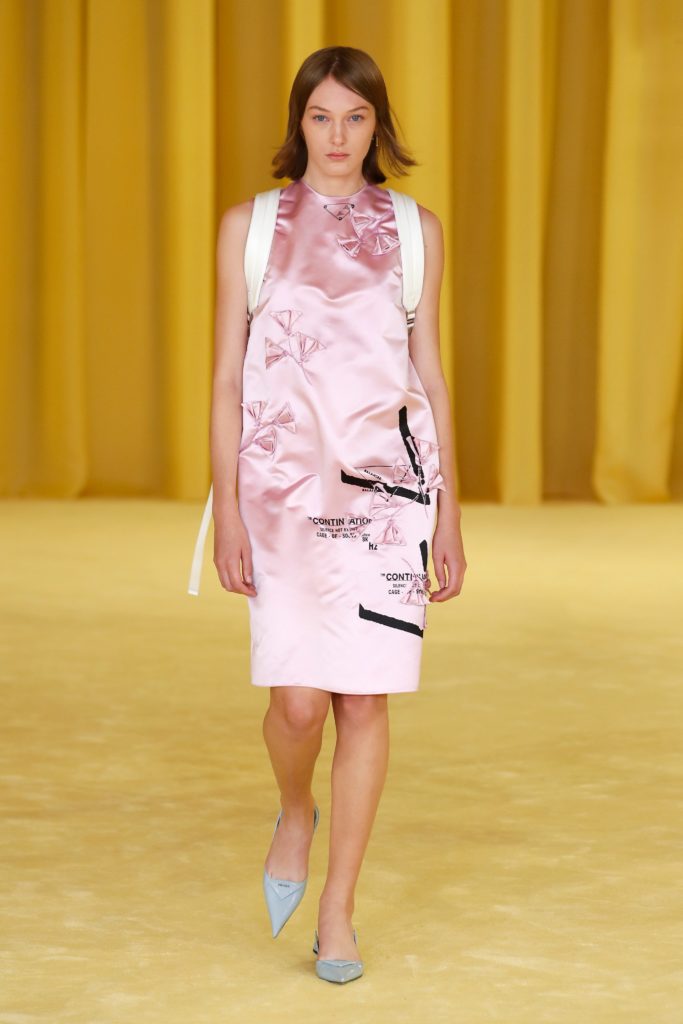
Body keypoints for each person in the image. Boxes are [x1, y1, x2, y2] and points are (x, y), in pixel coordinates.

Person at [208, 46, 466, 983]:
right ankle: (294, 810)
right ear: (299, 124)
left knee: (362, 698)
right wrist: (227, 512)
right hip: (278, 495)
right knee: (296, 703)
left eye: (355, 118)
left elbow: (427, 373)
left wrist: (448, 511)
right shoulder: (249, 228)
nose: (337, 136)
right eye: (321, 116)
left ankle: (338, 908)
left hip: (387, 498)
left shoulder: (414, 230)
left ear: (376, 127)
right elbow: (227, 377)